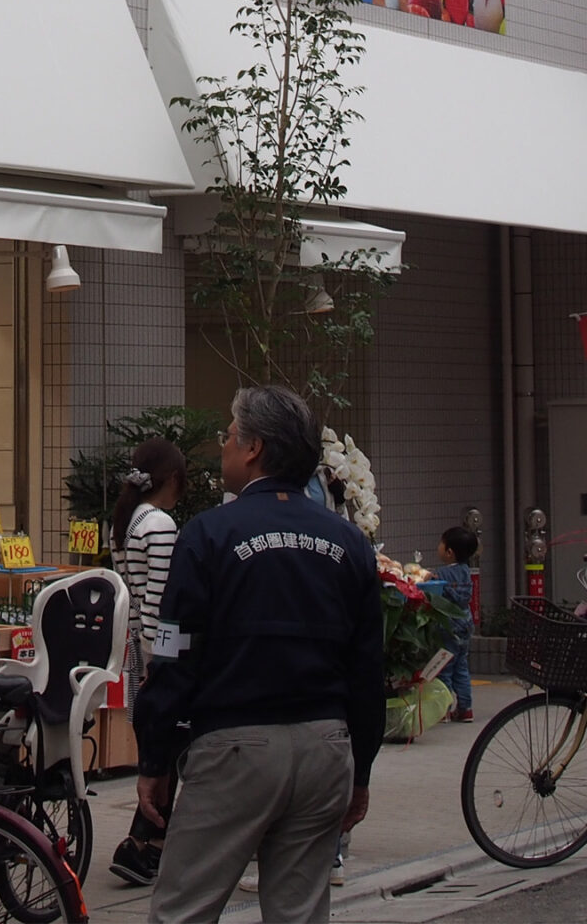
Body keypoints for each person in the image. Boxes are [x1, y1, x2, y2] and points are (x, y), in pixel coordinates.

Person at [135, 386, 384, 924]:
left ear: (254, 449)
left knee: (184, 910)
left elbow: (174, 652)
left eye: (228, 435)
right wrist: (359, 769)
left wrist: (155, 756)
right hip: (325, 746)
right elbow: (368, 669)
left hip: (234, 748)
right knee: (300, 912)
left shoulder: (208, 535)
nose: (222, 445)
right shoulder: (350, 544)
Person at [109, 439, 189, 887]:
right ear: (172, 479)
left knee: (157, 748)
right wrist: (169, 658)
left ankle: (150, 844)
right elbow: (162, 598)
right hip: (160, 651)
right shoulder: (159, 524)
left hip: (137, 648)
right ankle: (144, 843)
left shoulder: (124, 521)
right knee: (169, 751)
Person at [422, 527, 478, 723]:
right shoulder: (466, 571)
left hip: (448, 627)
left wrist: (429, 578)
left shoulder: (443, 573)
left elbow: (435, 590)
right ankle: (466, 708)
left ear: (449, 552)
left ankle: (443, 709)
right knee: (461, 667)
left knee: (444, 667)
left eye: (441, 543)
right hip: (465, 625)